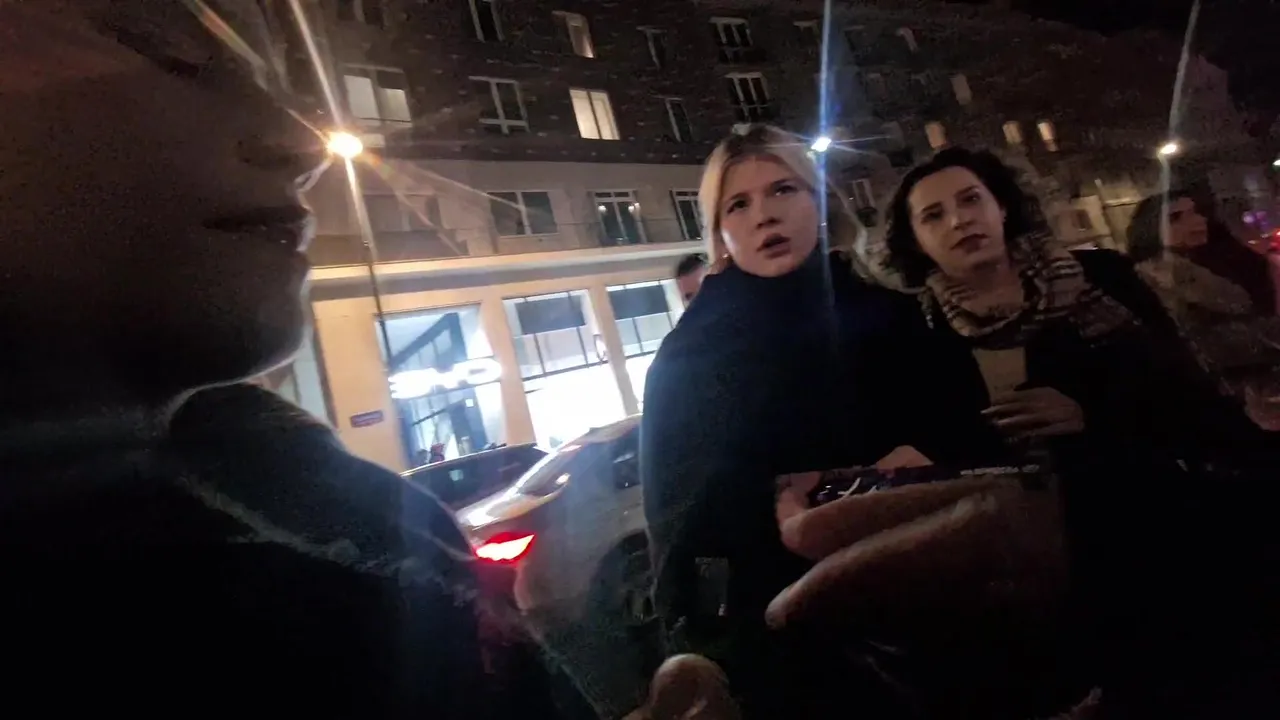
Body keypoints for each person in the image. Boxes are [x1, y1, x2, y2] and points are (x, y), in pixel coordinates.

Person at [0, 3, 584, 718]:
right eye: (172, 50)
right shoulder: (293, 576)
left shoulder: (325, 515)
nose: (303, 146)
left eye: (275, 85)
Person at [849, 147, 1278, 717]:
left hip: (1159, 539)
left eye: (971, 200)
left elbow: (1187, 396)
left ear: (1002, 206)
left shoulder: (1101, 280)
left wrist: (1090, 416)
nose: (959, 220)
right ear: (915, 242)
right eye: (934, 215)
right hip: (1034, 578)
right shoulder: (917, 337)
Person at [640, 125, 1011, 718]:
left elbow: (978, 434)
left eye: (783, 190)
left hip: (938, 608)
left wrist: (927, 457)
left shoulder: (898, 315)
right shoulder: (689, 358)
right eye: (739, 204)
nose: (765, 215)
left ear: (818, 203)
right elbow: (681, 528)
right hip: (788, 637)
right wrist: (711, 640)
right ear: (720, 233)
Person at [1126, 190, 1280, 426]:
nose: (1198, 221)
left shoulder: (1213, 259)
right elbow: (1193, 340)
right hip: (1230, 396)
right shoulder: (1158, 275)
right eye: (1176, 218)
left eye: (1195, 212)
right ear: (1152, 228)